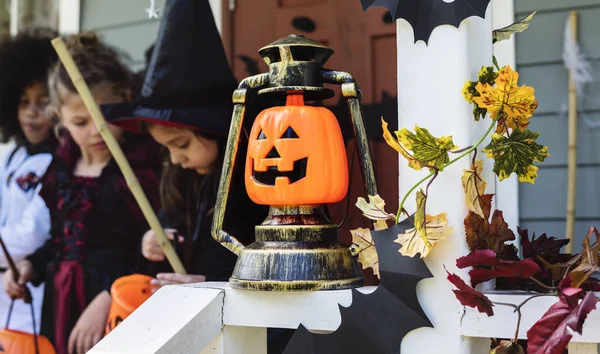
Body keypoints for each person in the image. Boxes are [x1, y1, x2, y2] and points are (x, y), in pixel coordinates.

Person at [102, 0, 293, 352]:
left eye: (181, 144)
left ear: (214, 130)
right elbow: (170, 227)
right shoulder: (182, 178)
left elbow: (279, 268)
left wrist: (211, 284)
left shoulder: (259, 183)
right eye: (166, 149)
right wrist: (152, 241)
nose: (175, 159)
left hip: (253, 332)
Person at [4, 33, 161, 354]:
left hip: (118, 304)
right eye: (80, 121)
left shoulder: (139, 172)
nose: (96, 131)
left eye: (107, 117)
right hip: (62, 301)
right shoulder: (61, 171)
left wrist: (106, 298)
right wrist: (31, 264)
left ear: (125, 100)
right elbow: (63, 241)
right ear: (59, 119)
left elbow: (152, 249)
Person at [0, 27, 58, 335]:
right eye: (23, 102)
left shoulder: (56, 162)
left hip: (31, 289)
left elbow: (32, 234)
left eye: (42, 102)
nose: (31, 113)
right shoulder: (14, 156)